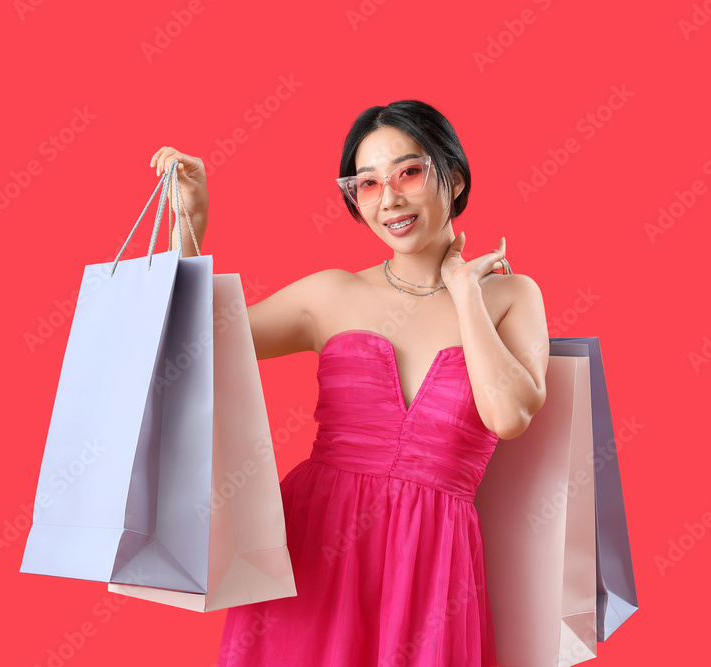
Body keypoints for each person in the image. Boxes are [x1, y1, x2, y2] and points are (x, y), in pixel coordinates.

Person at [149, 99, 549, 667]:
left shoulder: (513, 297)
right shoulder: (331, 295)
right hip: (317, 545)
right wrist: (189, 224)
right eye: (367, 183)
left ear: (453, 177)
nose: (389, 198)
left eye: (409, 172)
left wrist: (464, 293)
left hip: (431, 561)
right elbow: (192, 346)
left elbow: (509, 416)